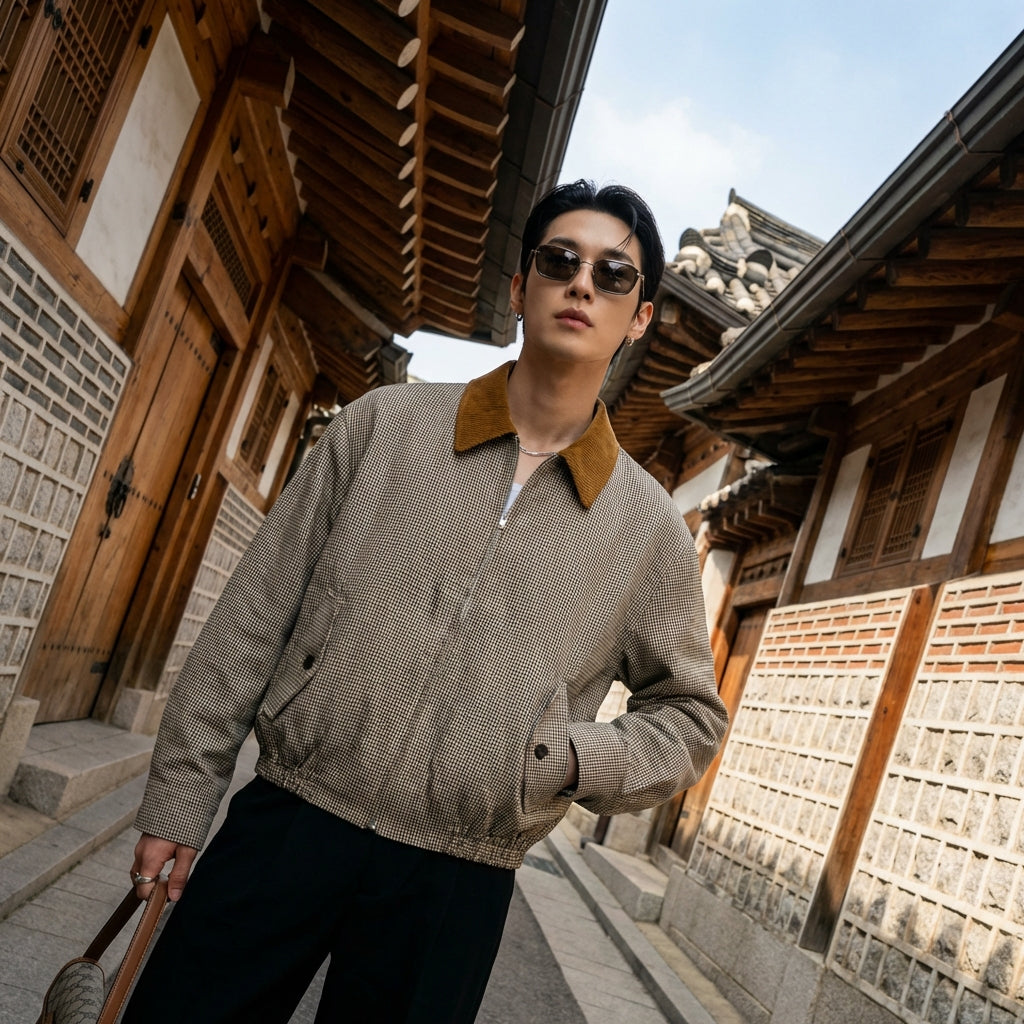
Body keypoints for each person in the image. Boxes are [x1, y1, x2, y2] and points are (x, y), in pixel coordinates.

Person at [123, 180, 728, 1023]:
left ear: (640, 317)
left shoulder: (648, 527)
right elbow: (254, 618)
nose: (582, 284)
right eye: (559, 261)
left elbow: (690, 717)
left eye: (613, 274)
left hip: (457, 879)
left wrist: (568, 759)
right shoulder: (383, 428)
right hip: (290, 818)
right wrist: (182, 801)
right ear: (519, 289)